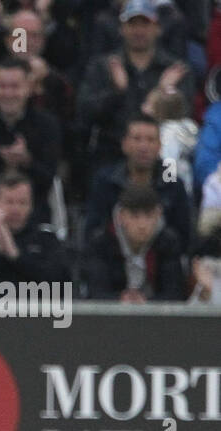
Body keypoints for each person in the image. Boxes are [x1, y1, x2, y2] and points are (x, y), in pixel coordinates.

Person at [76, 0, 194, 176]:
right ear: (121, 28)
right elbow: (85, 112)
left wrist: (162, 93)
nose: (139, 31)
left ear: (157, 28)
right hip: (112, 154)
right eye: (132, 24)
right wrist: (117, 92)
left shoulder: (175, 70)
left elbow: (184, 115)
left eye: (145, 24)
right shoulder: (103, 66)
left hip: (162, 155)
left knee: (176, 167)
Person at [0, 56, 61, 226]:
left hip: (36, 217)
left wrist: (26, 162)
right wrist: (6, 168)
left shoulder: (47, 126)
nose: (8, 94)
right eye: (2, 87)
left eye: (15, 87)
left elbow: (48, 179)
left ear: (29, 88)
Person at [85, 113, 192, 249]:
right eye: (137, 139)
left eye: (150, 140)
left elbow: (184, 236)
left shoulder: (173, 183)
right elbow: (93, 231)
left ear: (159, 146)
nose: (143, 147)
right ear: (124, 144)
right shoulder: (106, 180)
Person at [81, 183, 185, 302]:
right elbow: (96, 293)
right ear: (121, 216)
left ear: (158, 214)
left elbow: (174, 294)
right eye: (135, 216)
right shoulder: (100, 243)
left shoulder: (168, 242)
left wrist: (147, 302)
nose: (142, 225)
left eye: (149, 216)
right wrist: (120, 300)